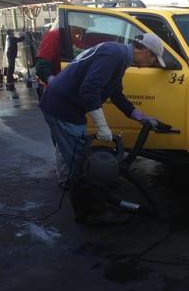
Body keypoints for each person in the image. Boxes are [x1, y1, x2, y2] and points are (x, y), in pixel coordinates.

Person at [40, 33, 167, 225]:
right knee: (85, 164)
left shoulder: (118, 55)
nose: (152, 64)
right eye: (153, 59)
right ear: (144, 51)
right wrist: (102, 126)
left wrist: (141, 117)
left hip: (60, 105)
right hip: (63, 109)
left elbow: (116, 94)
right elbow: (89, 89)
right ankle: (92, 213)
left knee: (75, 155)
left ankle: (77, 193)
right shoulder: (114, 55)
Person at [34, 13, 89, 100]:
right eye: (85, 23)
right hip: (56, 94)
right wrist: (53, 81)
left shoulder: (75, 41)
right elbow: (41, 64)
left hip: (71, 93)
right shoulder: (54, 36)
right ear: (75, 22)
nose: (86, 28)